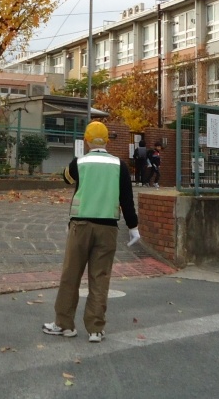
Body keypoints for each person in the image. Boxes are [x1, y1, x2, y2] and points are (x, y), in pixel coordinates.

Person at [43, 120, 140, 344]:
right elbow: (126, 199)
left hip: (80, 227)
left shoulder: (80, 163)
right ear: (107, 140)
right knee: (100, 278)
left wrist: (78, 159)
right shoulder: (119, 165)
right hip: (108, 229)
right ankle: (96, 329)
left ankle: (64, 324)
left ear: (86, 140)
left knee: (71, 275)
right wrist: (133, 227)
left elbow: (65, 178)